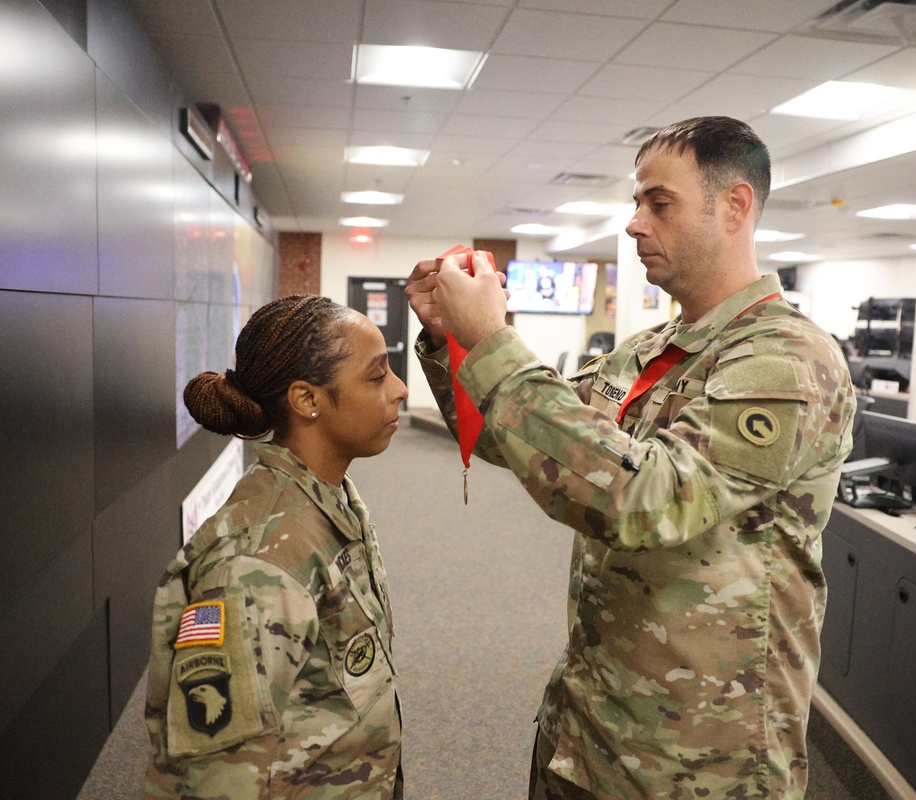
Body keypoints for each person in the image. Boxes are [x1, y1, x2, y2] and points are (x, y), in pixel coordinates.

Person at [405, 116, 856, 799]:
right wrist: (452, 341)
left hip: (698, 760)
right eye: (637, 202)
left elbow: (644, 500)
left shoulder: (785, 358)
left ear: (734, 206)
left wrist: (494, 339)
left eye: (659, 202)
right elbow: (527, 440)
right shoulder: (650, 351)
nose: (635, 223)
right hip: (596, 723)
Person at [144, 295, 408, 799]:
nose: (398, 390)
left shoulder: (328, 499)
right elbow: (214, 780)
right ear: (307, 399)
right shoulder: (256, 565)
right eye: (376, 377)